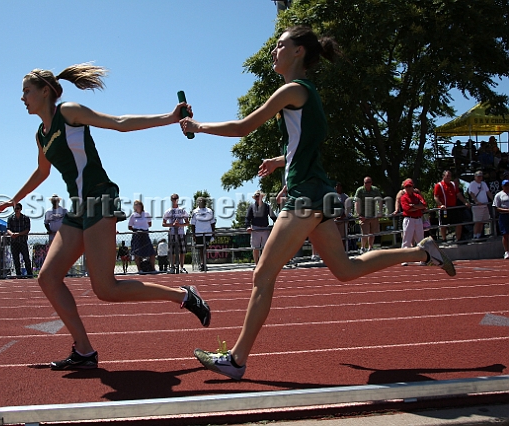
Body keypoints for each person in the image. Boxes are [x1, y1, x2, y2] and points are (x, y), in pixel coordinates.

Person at [180, 25, 456, 380]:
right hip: (316, 191)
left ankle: (235, 360)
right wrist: (282, 161)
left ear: (298, 52)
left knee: (263, 275)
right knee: (346, 269)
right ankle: (423, 252)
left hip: (306, 195)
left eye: (280, 46)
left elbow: (243, 127)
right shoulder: (308, 93)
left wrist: (198, 127)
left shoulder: (292, 89)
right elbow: (307, 142)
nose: (274, 52)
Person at [0, 63, 210, 370]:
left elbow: (119, 122)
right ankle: (83, 351)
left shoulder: (68, 112)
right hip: (78, 207)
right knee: (49, 278)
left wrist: (170, 117)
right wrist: (15, 198)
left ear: (45, 92)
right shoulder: (41, 135)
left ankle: (184, 296)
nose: (22, 97)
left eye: (26, 91)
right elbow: (42, 171)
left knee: (105, 288)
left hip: (99, 198)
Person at [433, 170, 471, 243]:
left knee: (459, 223)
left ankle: (458, 240)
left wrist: (465, 202)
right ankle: (444, 239)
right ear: (443, 176)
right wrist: (441, 205)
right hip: (444, 209)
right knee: (443, 225)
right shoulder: (439, 185)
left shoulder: (453, 184)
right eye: (447, 176)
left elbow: (458, 195)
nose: (449, 177)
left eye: (450, 176)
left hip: (453, 208)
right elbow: (436, 197)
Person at [399, 179, 427, 265]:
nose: (408, 188)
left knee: (420, 239)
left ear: (412, 187)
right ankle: (404, 259)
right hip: (409, 219)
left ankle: (422, 258)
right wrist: (418, 207)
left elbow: (424, 205)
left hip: (418, 219)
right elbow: (407, 209)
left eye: (409, 186)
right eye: (406, 187)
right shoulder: (403, 197)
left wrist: (414, 206)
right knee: (407, 239)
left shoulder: (417, 196)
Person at [245, 191, 277, 265]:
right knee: (255, 248)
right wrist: (248, 226)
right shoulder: (251, 207)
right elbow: (247, 218)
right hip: (255, 229)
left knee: (266, 248)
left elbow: (273, 217)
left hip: (265, 229)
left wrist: (277, 224)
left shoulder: (267, 206)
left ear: (262, 197)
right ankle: (257, 264)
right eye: (256, 197)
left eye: (259, 196)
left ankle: (264, 263)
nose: (257, 198)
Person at [162, 193, 190, 274]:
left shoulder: (182, 211)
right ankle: (172, 267)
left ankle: (182, 267)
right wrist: (172, 225)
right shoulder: (168, 211)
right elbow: (163, 223)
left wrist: (180, 225)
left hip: (181, 232)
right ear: (171, 200)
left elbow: (187, 222)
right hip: (172, 233)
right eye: (173, 199)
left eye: (176, 199)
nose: (175, 200)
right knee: (172, 251)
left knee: (182, 251)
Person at [354, 176, 383, 253]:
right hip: (363, 214)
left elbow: (380, 200)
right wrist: (359, 214)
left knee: (372, 232)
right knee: (364, 233)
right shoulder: (360, 190)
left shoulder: (375, 190)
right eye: (365, 182)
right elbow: (356, 202)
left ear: (371, 183)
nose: (366, 184)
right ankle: (363, 247)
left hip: (373, 214)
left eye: (368, 182)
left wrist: (380, 211)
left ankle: (370, 247)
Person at [128, 200, 156, 272]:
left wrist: (144, 228)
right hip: (137, 234)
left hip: (145, 234)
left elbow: (149, 224)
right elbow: (130, 226)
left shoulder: (146, 214)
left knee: (151, 252)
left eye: (138, 204)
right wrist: (136, 230)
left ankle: (153, 268)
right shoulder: (133, 215)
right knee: (137, 253)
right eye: (136, 205)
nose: (137, 206)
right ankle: (139, 269)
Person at [6, 202, 32, 278]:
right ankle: (19, 275)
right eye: (15, 209)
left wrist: (19, 234)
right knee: (16, 259)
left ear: (21, 209)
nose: (16, 210)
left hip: (22, 241)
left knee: (26, 258)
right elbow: (8, 228)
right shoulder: (10, 218)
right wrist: (12, 234)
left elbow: (27, 229)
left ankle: (30, 274)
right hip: (14, 242)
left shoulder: (25, 218)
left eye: (17, 208)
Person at [191, 197, 216, 271]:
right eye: (199, 201)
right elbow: (192, 224)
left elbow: (212, 222)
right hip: (199, 233)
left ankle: (204, 263)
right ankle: (202, 264)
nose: (201, 202)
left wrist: (213, 232)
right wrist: (193, 234)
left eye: (202, 201)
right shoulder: (195, 211)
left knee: (205, 248)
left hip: (208, 232)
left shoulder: (209, 211)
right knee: (201, 249)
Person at [468, 170, 493, 240]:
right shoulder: (472, 184)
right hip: (477, 207)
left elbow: (488, 192)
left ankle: (479, 235)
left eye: (481, 176)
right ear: (475, 177)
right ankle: (475, 235)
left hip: (485, 205)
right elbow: (471, 193)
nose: (480, 178)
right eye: (478, 176)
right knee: (477, 222)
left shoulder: (483, 184)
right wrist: (476, 201)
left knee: (482, 221)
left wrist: (493, 200)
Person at [493, 179, 509, 259]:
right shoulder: (499, 195)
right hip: (504, 216)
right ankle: (506, 251)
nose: (507, 187)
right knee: (505, 234)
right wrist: (507, 210)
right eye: (505, 185)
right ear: (502, 186)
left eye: (508, 185)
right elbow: (496, 207)